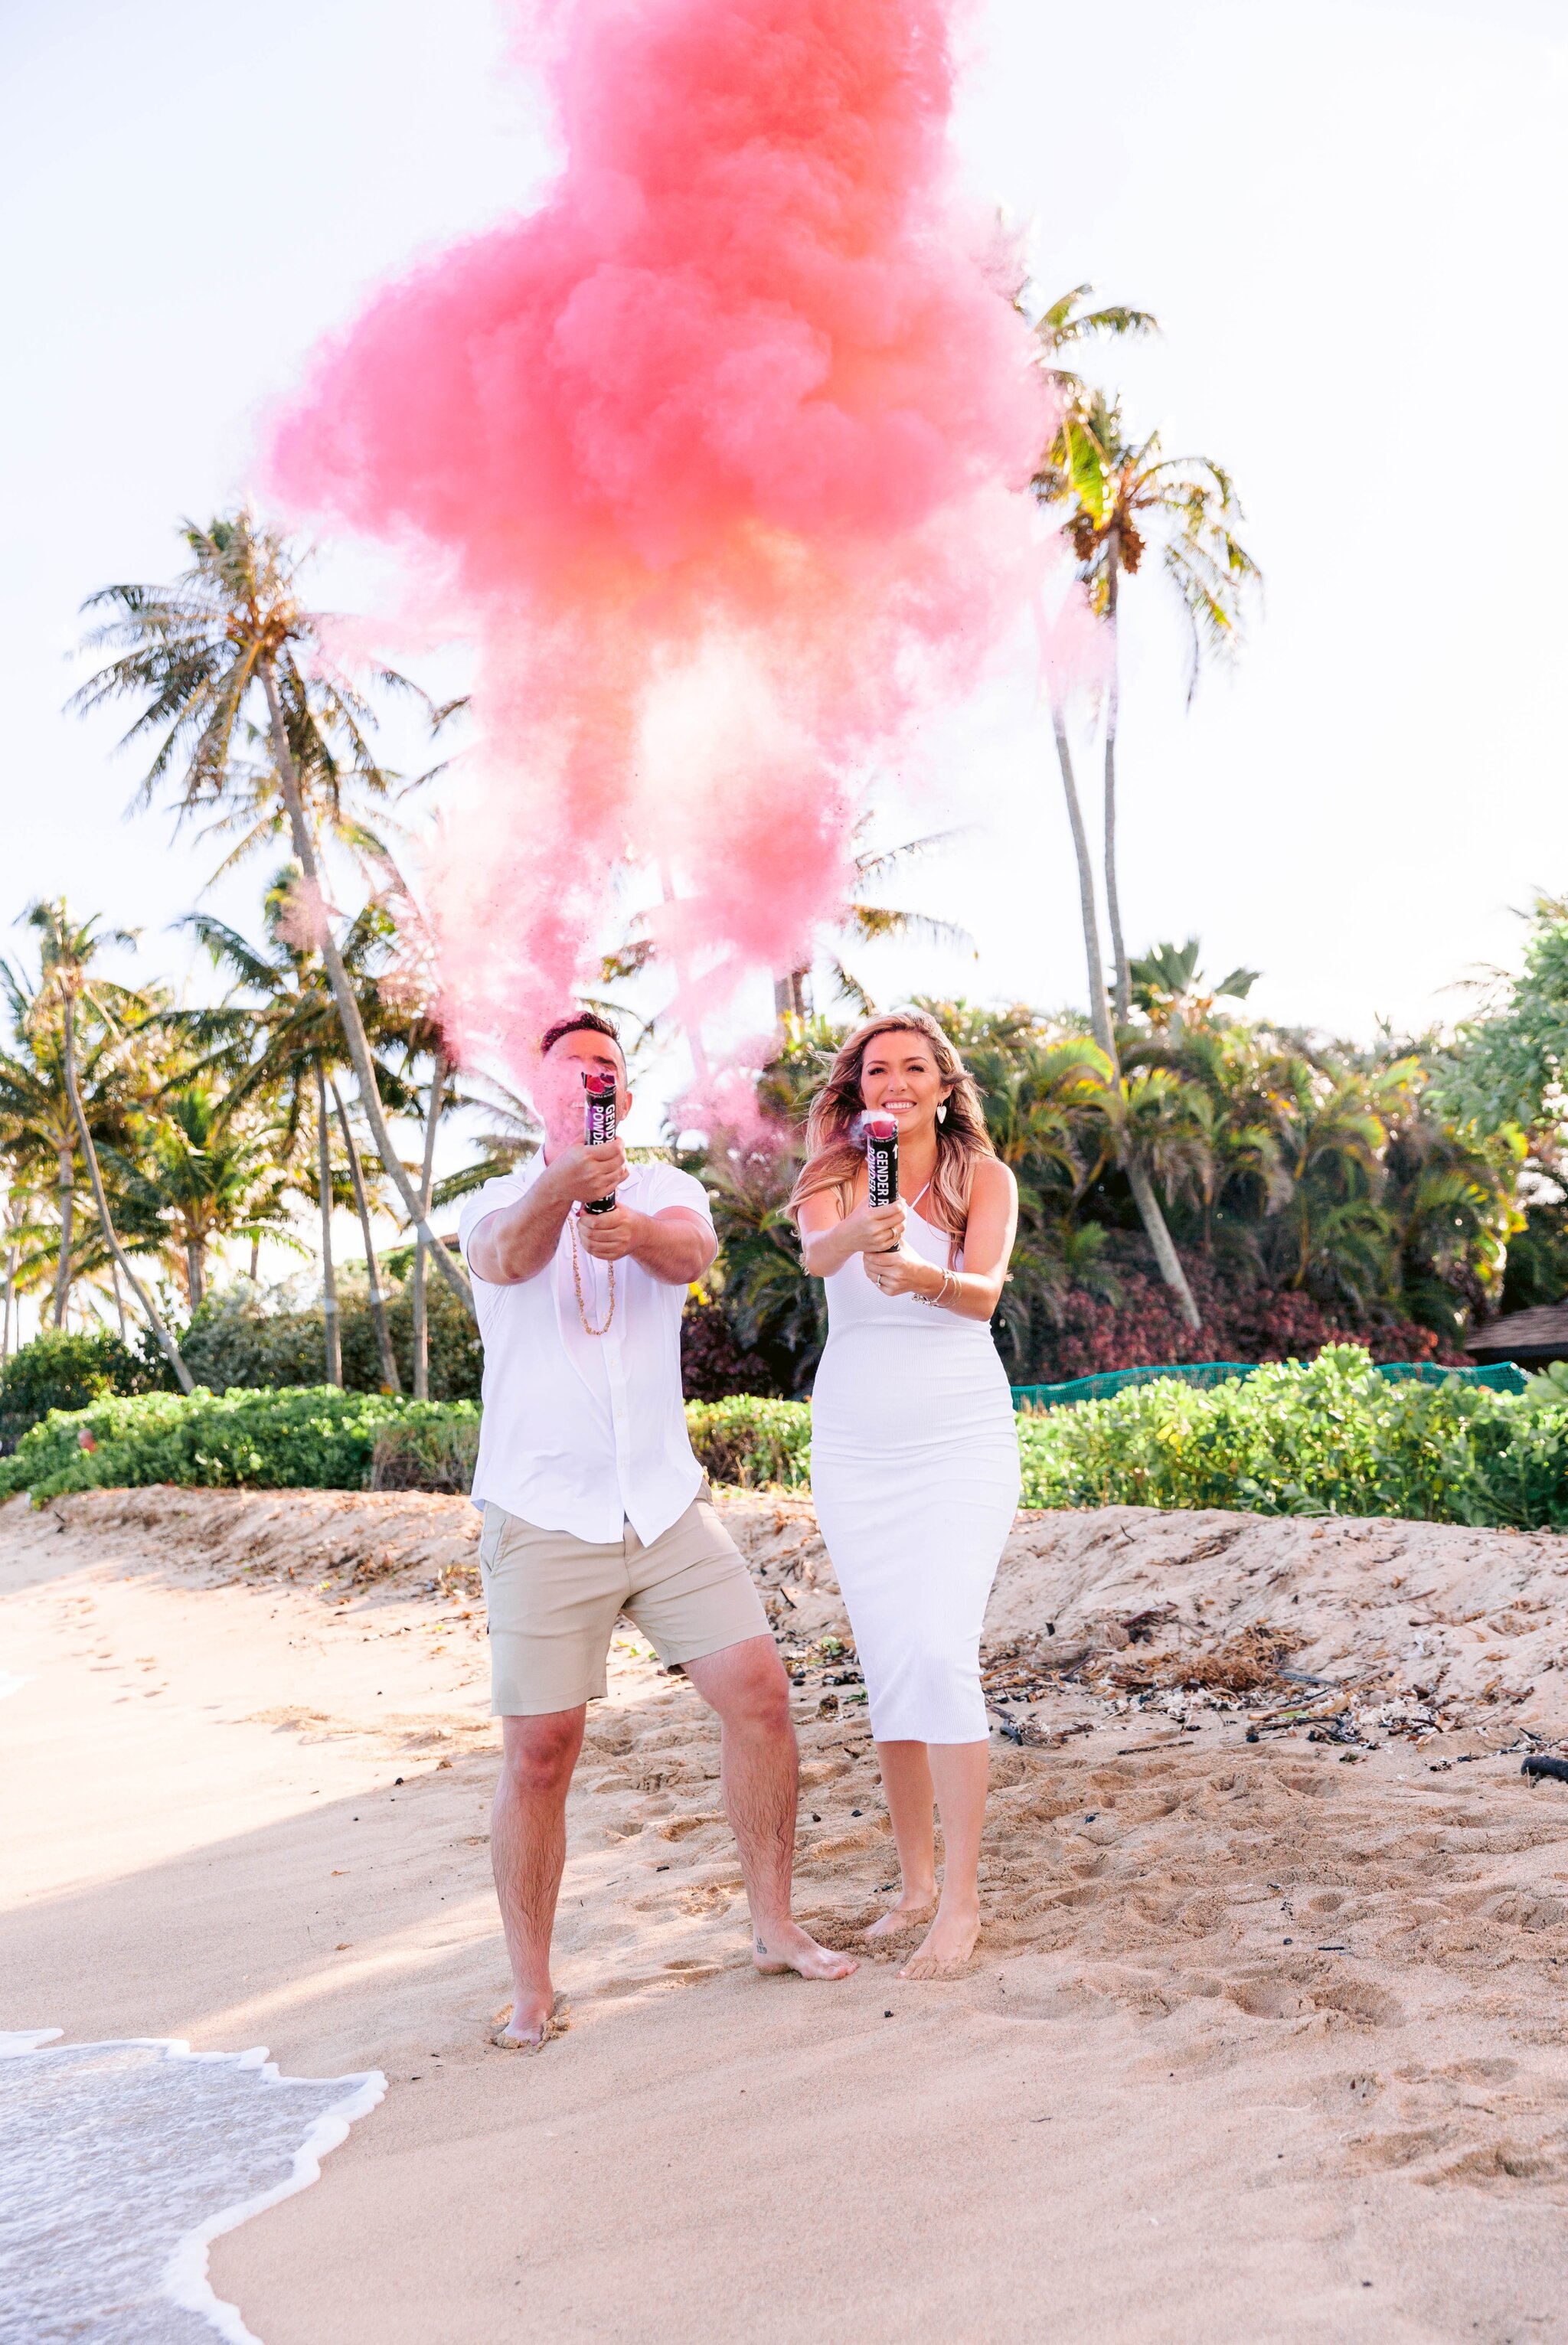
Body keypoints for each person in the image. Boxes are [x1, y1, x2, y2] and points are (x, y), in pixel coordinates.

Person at [461, 1011, 854, 2049]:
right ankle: (533, 1988)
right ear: (539, 1095)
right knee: (542, 1751)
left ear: (625, 1100)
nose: (594, 1077)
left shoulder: (666, 1188)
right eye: (572, 1068)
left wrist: (628, 1225)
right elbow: (505, 1259)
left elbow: (692, 1251)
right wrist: (568, 1186)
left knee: (761, 1695)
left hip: (666, 1504)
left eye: (609, 1068)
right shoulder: (492, 1202)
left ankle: (772, 1925)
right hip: (542, 1513)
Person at [791, 1010, 1021, 1979]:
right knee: (889, 1665)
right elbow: (812, 1258)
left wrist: (921, 1272)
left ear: (940, 1084)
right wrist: (856, 1231)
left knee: (937, 1651)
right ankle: (915, 1885)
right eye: (875, 1070)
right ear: (857, 1090)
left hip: (957, 1434)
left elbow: (983, 1295)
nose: (894, 1082)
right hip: (854, 1441)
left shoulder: (983, 1177)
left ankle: (960, 1905)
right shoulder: (833, 1175)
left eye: (912, 1069)